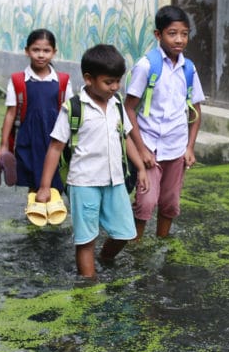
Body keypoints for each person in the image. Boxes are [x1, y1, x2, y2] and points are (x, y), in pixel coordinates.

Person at [35, 44, 149, 278]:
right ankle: (89, 285)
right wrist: (45, 187)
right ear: (89, 79)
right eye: (109, 82)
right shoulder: (73, 108)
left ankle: (105, 259)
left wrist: (140, 167)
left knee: (125, 233)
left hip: (115, 180)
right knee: (86, 239)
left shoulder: (117, 104)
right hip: (83, 182)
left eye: (118, 81)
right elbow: (55, 148)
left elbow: (125, 138)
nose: (115, 87)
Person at [125, 5, 206, 239]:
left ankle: (162, 241)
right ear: (158, 35)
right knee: (145, 203)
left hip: (176, 148)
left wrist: (190, 147)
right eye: (172, 33)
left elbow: (196, 111)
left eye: (184, 34)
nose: (179, 40)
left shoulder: (188, 69)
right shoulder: (147, 66)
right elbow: (128, 109)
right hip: (149, 146)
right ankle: (135, 246)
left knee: (170, 203)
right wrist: (141, 149)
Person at [0, 29, 74, 223]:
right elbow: (11, 113)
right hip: (29, 138)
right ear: (27, 51)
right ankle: (33, 220)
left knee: (57, 183)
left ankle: (55, 220)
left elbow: (70, 110)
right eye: (36, 50)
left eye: (46, 50)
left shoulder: (62, 81)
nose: (41, 55)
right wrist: (4, 145)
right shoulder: (18, 80)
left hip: (56, 139)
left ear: (54, 52)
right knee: (33, 183)